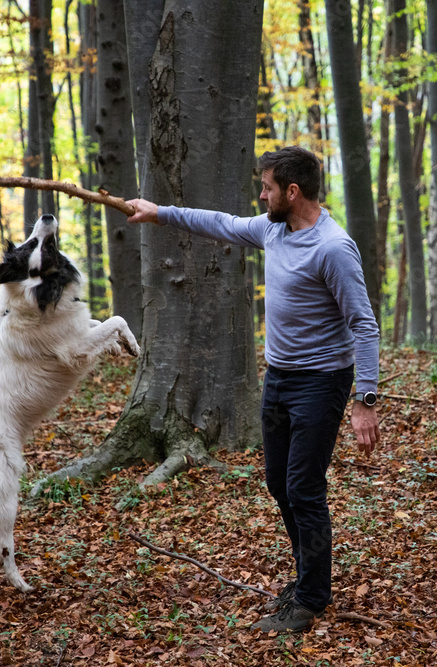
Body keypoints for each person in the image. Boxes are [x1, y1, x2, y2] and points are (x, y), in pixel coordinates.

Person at [127, 146, 380, 634]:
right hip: (279, 379)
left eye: (266, 187)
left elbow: (363, 325)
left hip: (322, 383)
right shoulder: (272, 230)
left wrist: (365, 400)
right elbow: (220, 223)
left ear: (292, 191)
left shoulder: (333, 248)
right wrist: (160, 213)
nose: (260, 195)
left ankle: (309, 599)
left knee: (304, 489)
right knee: (278, 483)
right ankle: (308, 577)